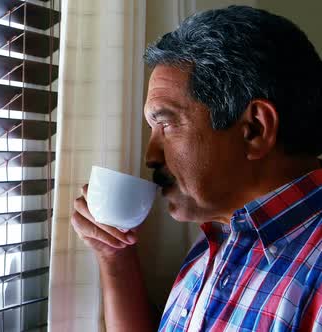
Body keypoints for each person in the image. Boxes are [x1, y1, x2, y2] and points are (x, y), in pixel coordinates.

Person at [70, 5, 322, 331]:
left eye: (167, 125)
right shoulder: (215, 243)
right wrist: (112, 255)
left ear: (255, 129)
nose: (151, 155)